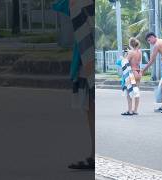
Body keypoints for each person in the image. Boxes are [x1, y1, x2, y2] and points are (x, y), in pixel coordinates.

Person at [53, 0, 94, 169]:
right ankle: (94, 154)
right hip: (86, 59)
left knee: (91, 107)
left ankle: (95, 155)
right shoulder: (77, 4)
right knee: (89, 107)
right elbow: (59, 4)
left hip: (90, 59)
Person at [141, 32, 162, 113]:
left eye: (149, 40)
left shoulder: (157, 45)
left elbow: (152, 60)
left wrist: (143, 70)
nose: (150, 43)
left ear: (152, 37)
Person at [121, 37, 142, 116]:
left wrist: (123, 58)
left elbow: (126, 62)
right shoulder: (139, 52)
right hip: (138, 72)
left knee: (129, 92)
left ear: (130, 44)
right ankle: (135, 110)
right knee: (136, 92)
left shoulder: (131, 52)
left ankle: (129, 110)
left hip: (132, 73)